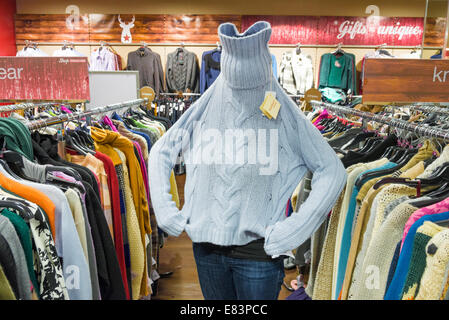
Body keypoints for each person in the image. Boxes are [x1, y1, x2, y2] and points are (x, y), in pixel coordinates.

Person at [148, 21, 346, 300]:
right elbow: (160, 151)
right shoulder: (207, 104)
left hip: (259, 255)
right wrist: (167, 212)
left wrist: (294, 230)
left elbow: (333, 172)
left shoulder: (281, 108)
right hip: (206, 249)